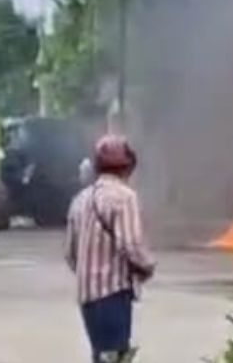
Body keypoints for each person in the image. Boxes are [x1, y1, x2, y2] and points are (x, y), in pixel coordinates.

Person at [66, 135, 155, 363]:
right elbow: (131, 246)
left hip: (87, 297)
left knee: (101, 356)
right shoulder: (125, 198)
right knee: (116, 357)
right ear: (128, 166)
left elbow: (71, 254)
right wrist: (147, 266)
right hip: (113, 294)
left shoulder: (80, 199)